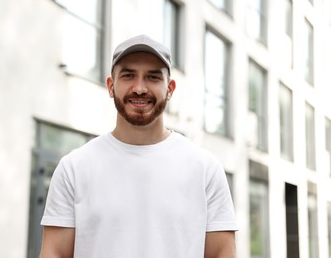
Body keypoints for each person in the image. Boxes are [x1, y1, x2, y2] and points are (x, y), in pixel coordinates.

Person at [40, 34, 238, 258]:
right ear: (111, 86)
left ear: (170, 89)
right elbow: (53, 253)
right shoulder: (73, 169)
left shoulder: (205, 169)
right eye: (128, 75)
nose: (140, 88)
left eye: (153, 77)